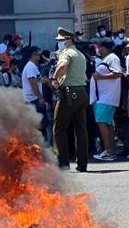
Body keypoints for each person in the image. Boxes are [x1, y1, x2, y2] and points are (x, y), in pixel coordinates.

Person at [51, 28, 89, 172]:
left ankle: (62, 163)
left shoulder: (66, 53)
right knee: (81, 129)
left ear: (68, 40)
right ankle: (82, 163)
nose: (58, 43)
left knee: (59, 128)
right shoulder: (80, 54)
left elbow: (62, 65)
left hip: (69, 95)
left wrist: (54, 78)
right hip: (81, 93)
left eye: (60, 41)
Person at [90, 38, 123, 162]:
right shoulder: (106, 59)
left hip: (107, 97)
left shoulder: (113, 58)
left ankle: (108, 151)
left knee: (102, 123)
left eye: (101, 48)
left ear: (106, 48)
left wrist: (101, 77)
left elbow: (118, 73)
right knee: (106, 123)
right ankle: (109, 150)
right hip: (103, 97)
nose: (99, 50)